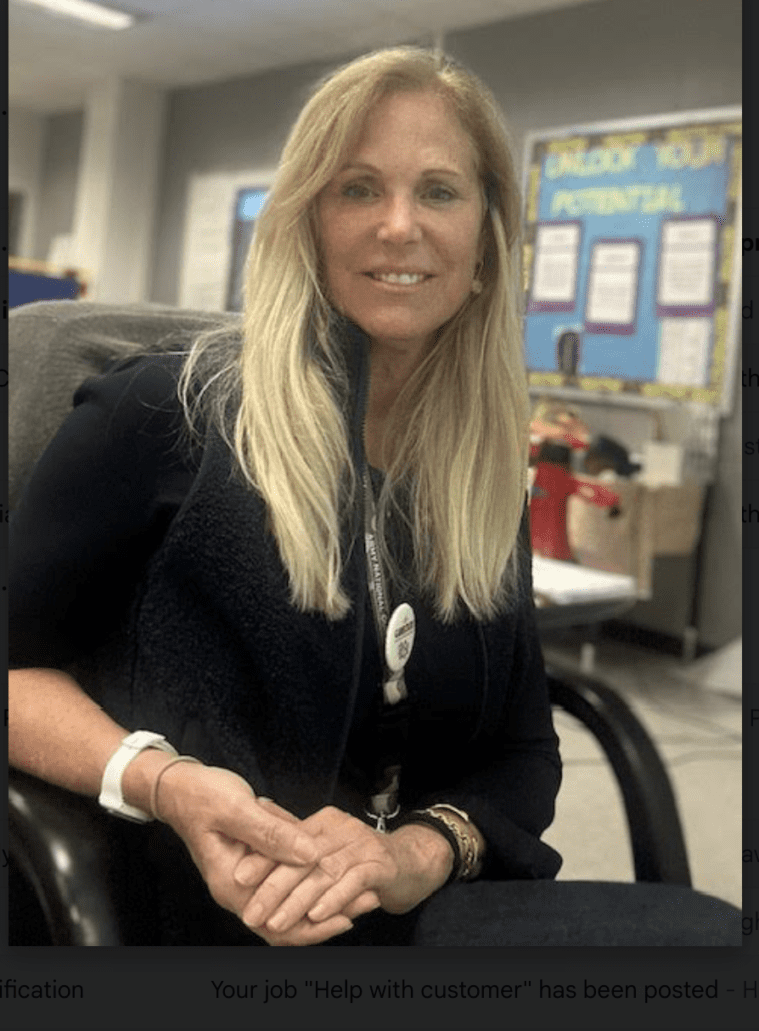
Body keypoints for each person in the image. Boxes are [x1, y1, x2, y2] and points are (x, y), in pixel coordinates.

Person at [8, 47, 739, 947]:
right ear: (306, 223)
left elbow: (521, 752)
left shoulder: (474, 467)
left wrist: (420, 854)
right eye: (357, 188)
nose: (399, 225)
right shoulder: (163, 412)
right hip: (174, 917)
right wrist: (166, 783)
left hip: (409, 921)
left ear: (484, 244)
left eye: (438, 191)